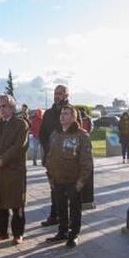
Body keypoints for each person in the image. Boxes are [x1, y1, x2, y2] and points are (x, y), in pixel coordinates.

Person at [0, 95, 30, 245]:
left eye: (4, 106)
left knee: (16, 204)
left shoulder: (21, 124)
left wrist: (3, 158)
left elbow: (19, 146)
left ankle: (18, 234)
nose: (1, 109)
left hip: (14, 170)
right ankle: (2, 232)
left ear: (12, 107)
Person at [45, 105, 93, 248]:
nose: (62, 116)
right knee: (60, 207)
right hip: (57, 179)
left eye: (66, 114)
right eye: (62, 113)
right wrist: (50, 176)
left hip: (74, 180)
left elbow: (86, 161)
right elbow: (50, 156)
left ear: (73, 117)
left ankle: (74, 235)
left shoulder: (81, 135)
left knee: (74, 209)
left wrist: (81, 181)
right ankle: (62, 232)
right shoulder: (55, 134)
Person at [39, 85, 71, 227]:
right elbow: (42, 134)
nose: (57, 96)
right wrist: (49, 149)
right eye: (55, 93)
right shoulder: (48, 113)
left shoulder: (71, 111)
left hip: (67, 159)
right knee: (54, 188)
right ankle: (54, 215)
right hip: (51, 158)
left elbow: (76, 133)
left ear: (66, 95)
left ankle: (66, 219)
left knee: (67, 190)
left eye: (60, 93)